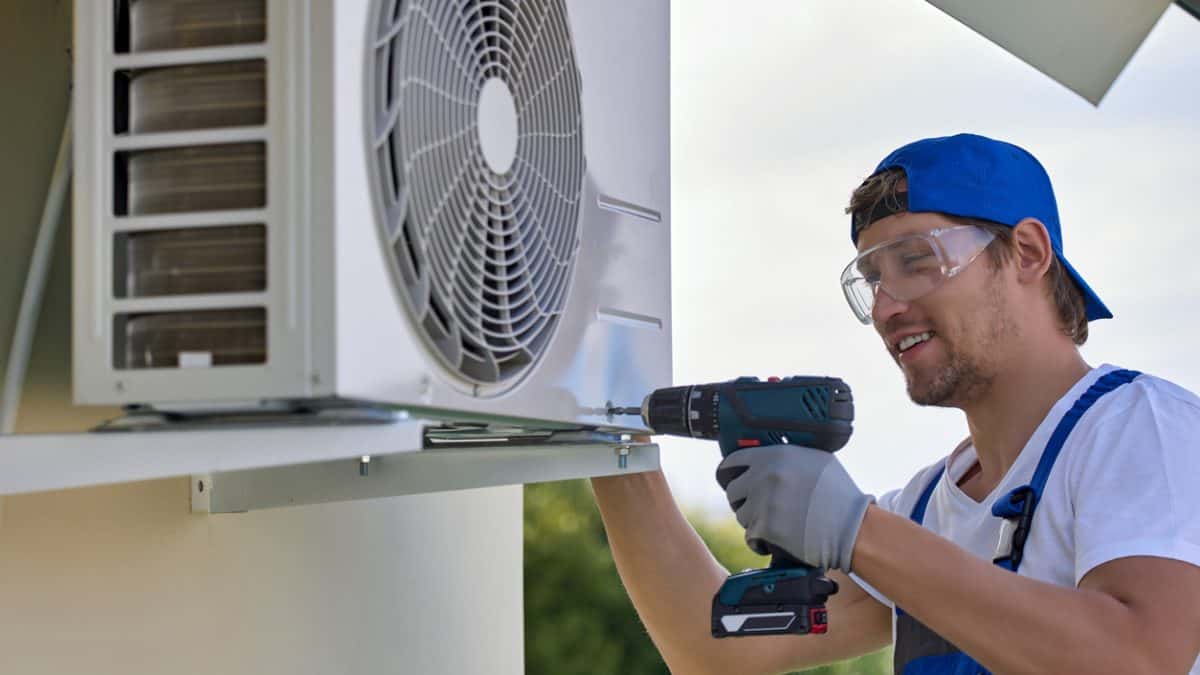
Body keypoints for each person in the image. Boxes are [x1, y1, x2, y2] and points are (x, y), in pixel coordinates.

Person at [592, 133, 1200, 674]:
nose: (886, 307)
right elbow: (716, 650)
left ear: (1028, 253)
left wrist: (857, 530)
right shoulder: (929, 509)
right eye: (873, 279)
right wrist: (602, 429)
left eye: (917, 262)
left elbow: (1139, 658)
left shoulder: (1142, 426)